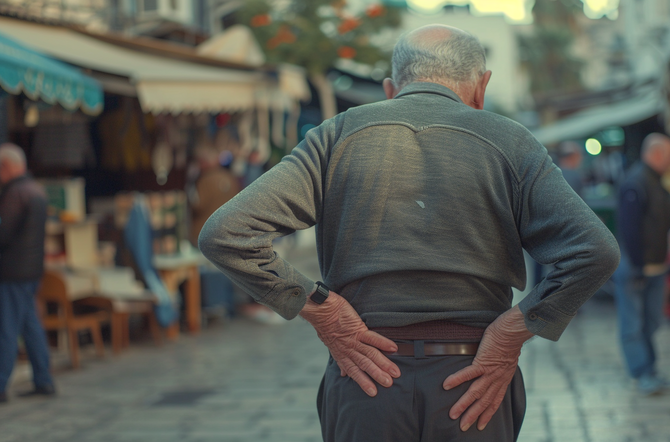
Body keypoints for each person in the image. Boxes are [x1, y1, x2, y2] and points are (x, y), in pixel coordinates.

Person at [199, 25, 619, 441]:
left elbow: (226, 233)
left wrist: (324, 311)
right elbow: (596, 251)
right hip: (475, 381)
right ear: (482, 86)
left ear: (390, 89)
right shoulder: (511, 141)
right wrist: (514, 331)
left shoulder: (336, 134)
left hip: (366, 376)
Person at [614, 133, 670, 396]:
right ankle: (641, 373)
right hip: (637, 266)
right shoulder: (636, 182)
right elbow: (629, 229)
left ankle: (651, 370)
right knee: (633, 324)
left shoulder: (655, 180)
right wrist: (639, 265)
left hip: (656, 265)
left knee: (651, 322)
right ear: (657, 154)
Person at [0, 143, 56, 404]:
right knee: (30, 325)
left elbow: (3, 233)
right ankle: (43, 379)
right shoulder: (35, 190)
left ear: (6, 167)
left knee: (7, 329)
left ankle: (1, 383)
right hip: (31, 271)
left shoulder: (15, 193)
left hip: (13, 272)